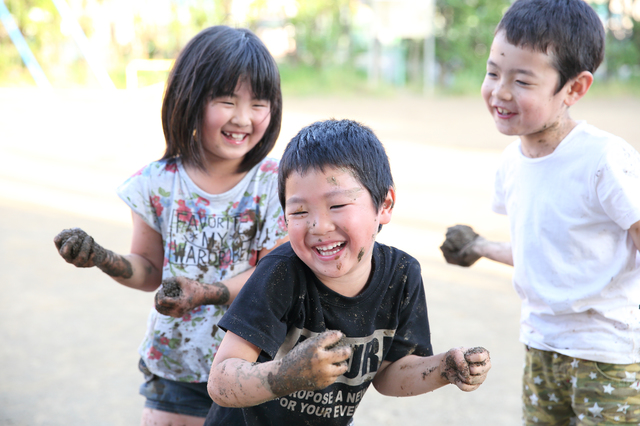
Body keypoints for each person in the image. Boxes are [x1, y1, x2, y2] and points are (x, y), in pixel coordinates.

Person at [53, 26, 288, 426]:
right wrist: (102, 258)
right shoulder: (156, 183)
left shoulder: (276, 183)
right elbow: (148, 269)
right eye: (226, 100)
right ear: (190, 99)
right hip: (174, 366)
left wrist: (204, 293)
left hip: (252, 366)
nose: (243, 118)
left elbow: (270, 275)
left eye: (258, 103)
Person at [204, 119, 492, 426]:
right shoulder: (281, 272)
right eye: (300, 212)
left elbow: (390, 373)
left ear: (385, 204)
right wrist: (287, 374)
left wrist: (444, 368)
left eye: (338, 204)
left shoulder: (402, 275)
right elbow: (221, 381)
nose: (319, 226)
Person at [439, 0, 640, 423]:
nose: (500, 91)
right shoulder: (513, 163)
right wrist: (479, 246)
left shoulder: (604, 160)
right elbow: (543, 250)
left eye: (523, 81)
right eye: (493, 72)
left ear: (574, 89)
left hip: (608, 355)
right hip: (541, 345)